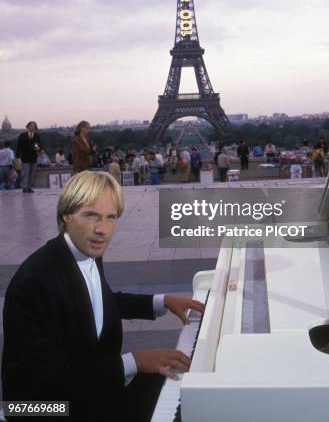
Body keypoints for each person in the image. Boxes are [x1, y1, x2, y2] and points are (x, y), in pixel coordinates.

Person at [1, 171, 204, 422]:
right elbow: (50, 382)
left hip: (88, 385)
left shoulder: (84, 250)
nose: (102, 230)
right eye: (91, 215)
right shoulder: (35, 283)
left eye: (111, 218)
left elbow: (98, 302)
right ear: (66, 215)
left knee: (177, 386)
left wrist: (161, 301)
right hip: (41, 408)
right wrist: (135, 362)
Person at [16, 120, 41, 193]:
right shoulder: (22, 135)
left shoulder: (36, 136)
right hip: (25, 157)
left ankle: (29, 187)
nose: (33, 127)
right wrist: (17, 156)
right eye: (31, 126)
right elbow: (19, 146)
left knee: (32, 173)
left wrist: (39, 151)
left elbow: (37, 146)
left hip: (33, 156)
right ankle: (24, 187)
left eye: (34, 126)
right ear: (28, 126)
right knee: (25, 173)